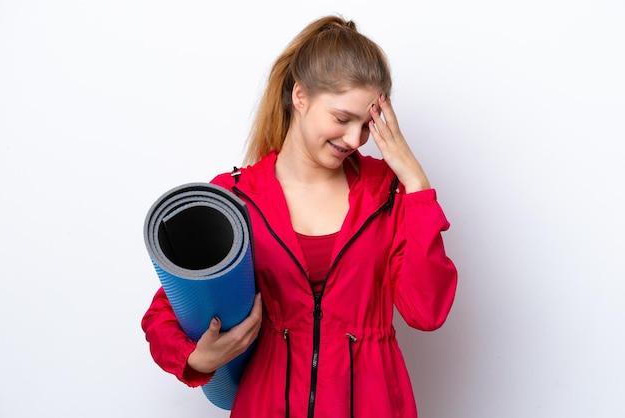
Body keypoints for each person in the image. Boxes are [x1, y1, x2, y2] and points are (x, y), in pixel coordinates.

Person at [141, 14, 457, 418]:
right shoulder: (236, 198)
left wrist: (415, 183)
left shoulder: (389, 194)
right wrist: (197, 360)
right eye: (343, 119)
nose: (354, 140)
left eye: (368, 124)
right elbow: (166, 312)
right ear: (301, 97)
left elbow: (425, 312)